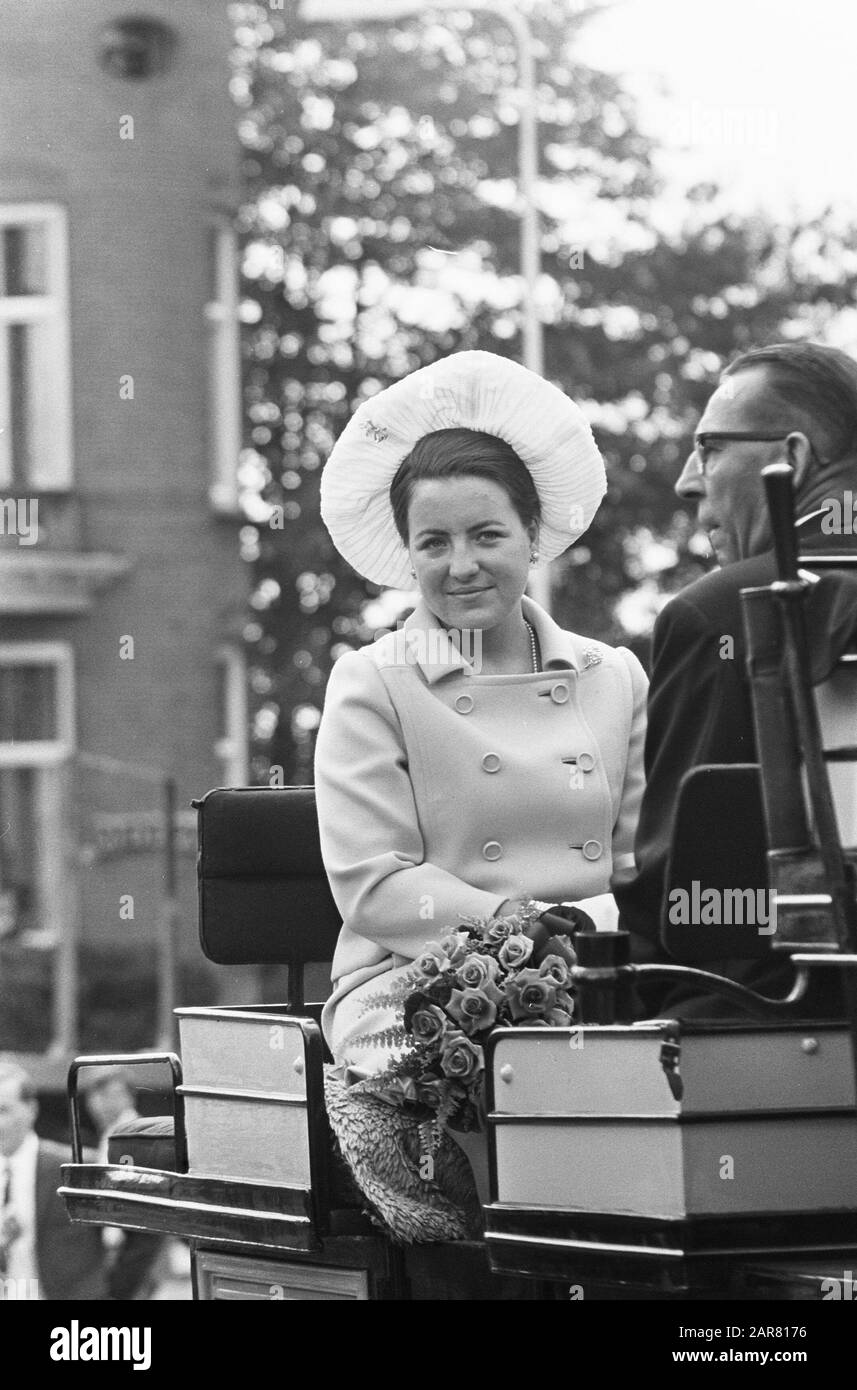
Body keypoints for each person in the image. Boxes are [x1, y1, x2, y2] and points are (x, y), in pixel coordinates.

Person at [315, 350, 648, 1079]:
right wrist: (511, 928)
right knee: (469, 1080)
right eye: (433, 542)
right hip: (411, 990)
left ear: (532, 533)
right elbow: (375, 887)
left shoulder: (612, 677)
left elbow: (639, 866)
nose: (460, 564)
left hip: (600, 972)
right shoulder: (373, 683)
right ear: (408, 553)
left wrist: (593, 943)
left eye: (486, 535)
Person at [614, 341, 857, 1015]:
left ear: (793, 458)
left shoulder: (718, 613)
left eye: (710, 448)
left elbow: (682, 901)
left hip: (776, 1022)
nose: (688, 480)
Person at [0, 1058, 107, 1300]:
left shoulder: (76, 1168)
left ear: (31, 1110)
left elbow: (133, 1235)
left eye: (3, 1110)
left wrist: (121, 1291)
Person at [80, 1066, 172, 1301]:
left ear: (130, 1096)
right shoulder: (112, 1133)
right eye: (96, 1096)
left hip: (138, 1245)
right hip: (126, 1245)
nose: (102, 1104)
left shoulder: (134, 1135)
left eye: (111, 1095)